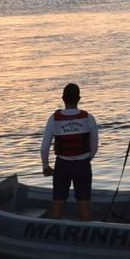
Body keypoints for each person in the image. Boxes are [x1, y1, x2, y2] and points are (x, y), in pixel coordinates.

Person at [41, 82, 98, 221]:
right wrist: (86, 158)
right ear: (79, 98)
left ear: (63, 98)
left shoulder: (54, 119)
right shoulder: (88, 118)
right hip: (83, 165)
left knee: (58, 204)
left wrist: (46, 166)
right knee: (84, 205)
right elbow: (94, 146)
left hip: (62, 166)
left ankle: (52, 237)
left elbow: (44, 148)